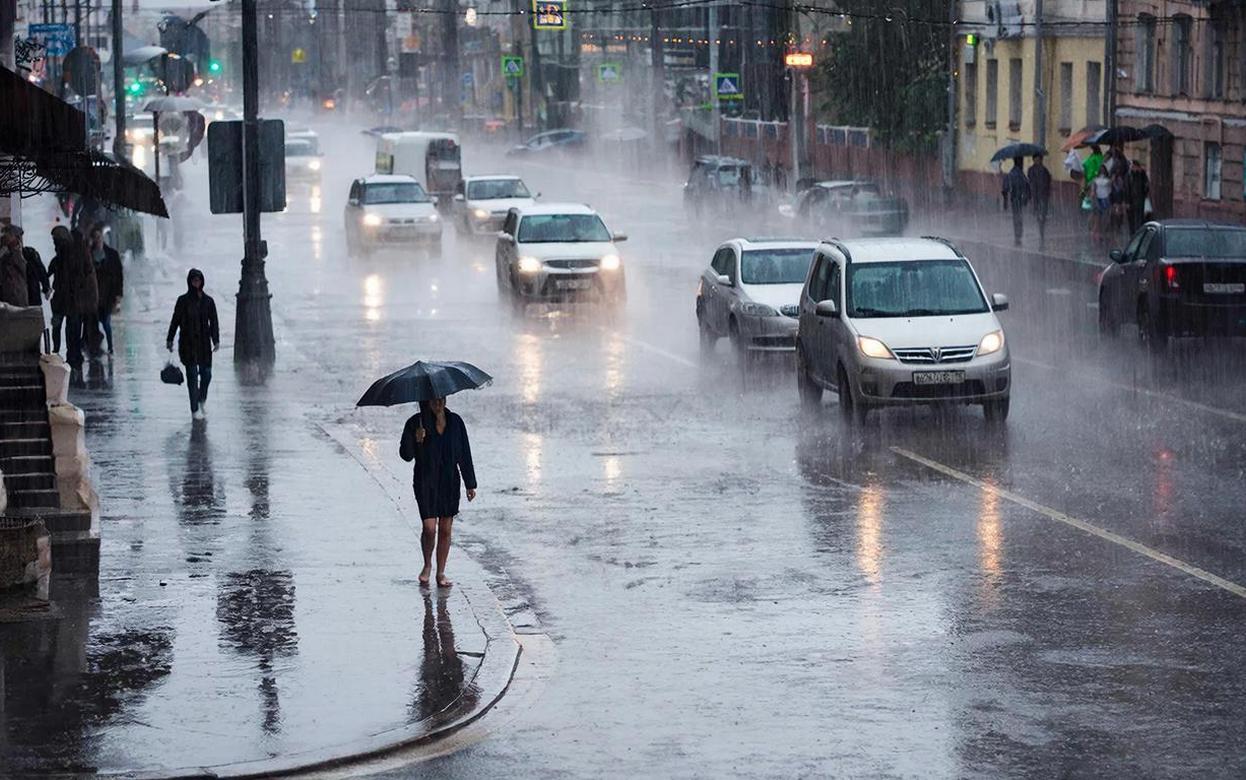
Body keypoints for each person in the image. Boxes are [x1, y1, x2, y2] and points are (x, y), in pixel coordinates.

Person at [399, 397, 477, 588]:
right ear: (427, 401)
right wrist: (416, 440)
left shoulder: (456, 422)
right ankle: (427, 564)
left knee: (445, 530)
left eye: (442, 398)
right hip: (425, 482)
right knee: (429, 528)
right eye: (434, 399)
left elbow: (464, 453)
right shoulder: (415, 423)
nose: (439, 403)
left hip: (449, 481)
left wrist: (470, 483)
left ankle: (441, 572)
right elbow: (406, 455)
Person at [166, 269, 220, 421]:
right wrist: (170, 339)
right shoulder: (182, 301)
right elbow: (175, 320)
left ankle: (201, 399)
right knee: (191, 377)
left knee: (207, 374)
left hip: (204, 344)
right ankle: (194, 409)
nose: (196, 283)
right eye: (194, 280)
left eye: (199, 280)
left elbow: (214, 322)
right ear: (189, 282)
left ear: (202, 281)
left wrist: (216, 340)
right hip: (188, 344)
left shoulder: (208, 301)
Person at [89, 224, 124, 355]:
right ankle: (95, 346)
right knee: (93, 323)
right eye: (95, 238)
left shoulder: (112, 255)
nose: (98, 240)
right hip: (94, 296)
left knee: (106, 323)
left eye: (99, 237)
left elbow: (119, 276)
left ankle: (110, 347)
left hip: (107, 295)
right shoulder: (88, 254)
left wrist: (118, 295)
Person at [46, 226, 76, 353]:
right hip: (66, 298)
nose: (53, 243)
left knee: (59, 327)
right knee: (66, 328)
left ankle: (57, 351)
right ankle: (65, 351)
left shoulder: (62, 258)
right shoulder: (66, 257)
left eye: (55, 240)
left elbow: (50, 272)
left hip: (64, 298)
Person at [1002, 157, 1030, 247]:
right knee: (1018, 217)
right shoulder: (1020, 174)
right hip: (1019, 198)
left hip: (1014, 199)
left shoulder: (1011, 173)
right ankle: (1018, 236)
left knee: (1016, 217)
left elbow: (1005, 187)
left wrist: (1005, 200)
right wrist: (1026, 197)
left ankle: (1017, 236)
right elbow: (1027, 186)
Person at [0, 225, 29, 307]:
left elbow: (23, 269)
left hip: (16, 290)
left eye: (8, 235)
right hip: (8, 290)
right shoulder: (6, 251)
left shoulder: (17, 252)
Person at [1028, 154, 1053, 248]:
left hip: (1043, 196)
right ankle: (1040, 231)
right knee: (1039, 215)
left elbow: (1048, 182)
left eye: (1038, 159)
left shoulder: (1045, 170)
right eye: (1035, 159)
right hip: (1036, 197)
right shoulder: (1031, 170)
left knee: (1042, 216)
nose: (1037, 161)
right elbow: (1030, 181)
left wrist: (1047, 193)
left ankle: (1041, 233)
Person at [1126, 160, 1151, 235]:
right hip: (1132, 201)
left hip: (1140, 200)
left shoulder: (1142, 174)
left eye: (1133, 166)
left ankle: (1139, 233)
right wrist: (1127, 202)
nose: (1132, 168)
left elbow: (1146, 186)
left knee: (1139, 219)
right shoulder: (1129, 175)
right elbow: (1127, 189)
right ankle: (1133, 234)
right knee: (1132, 220)